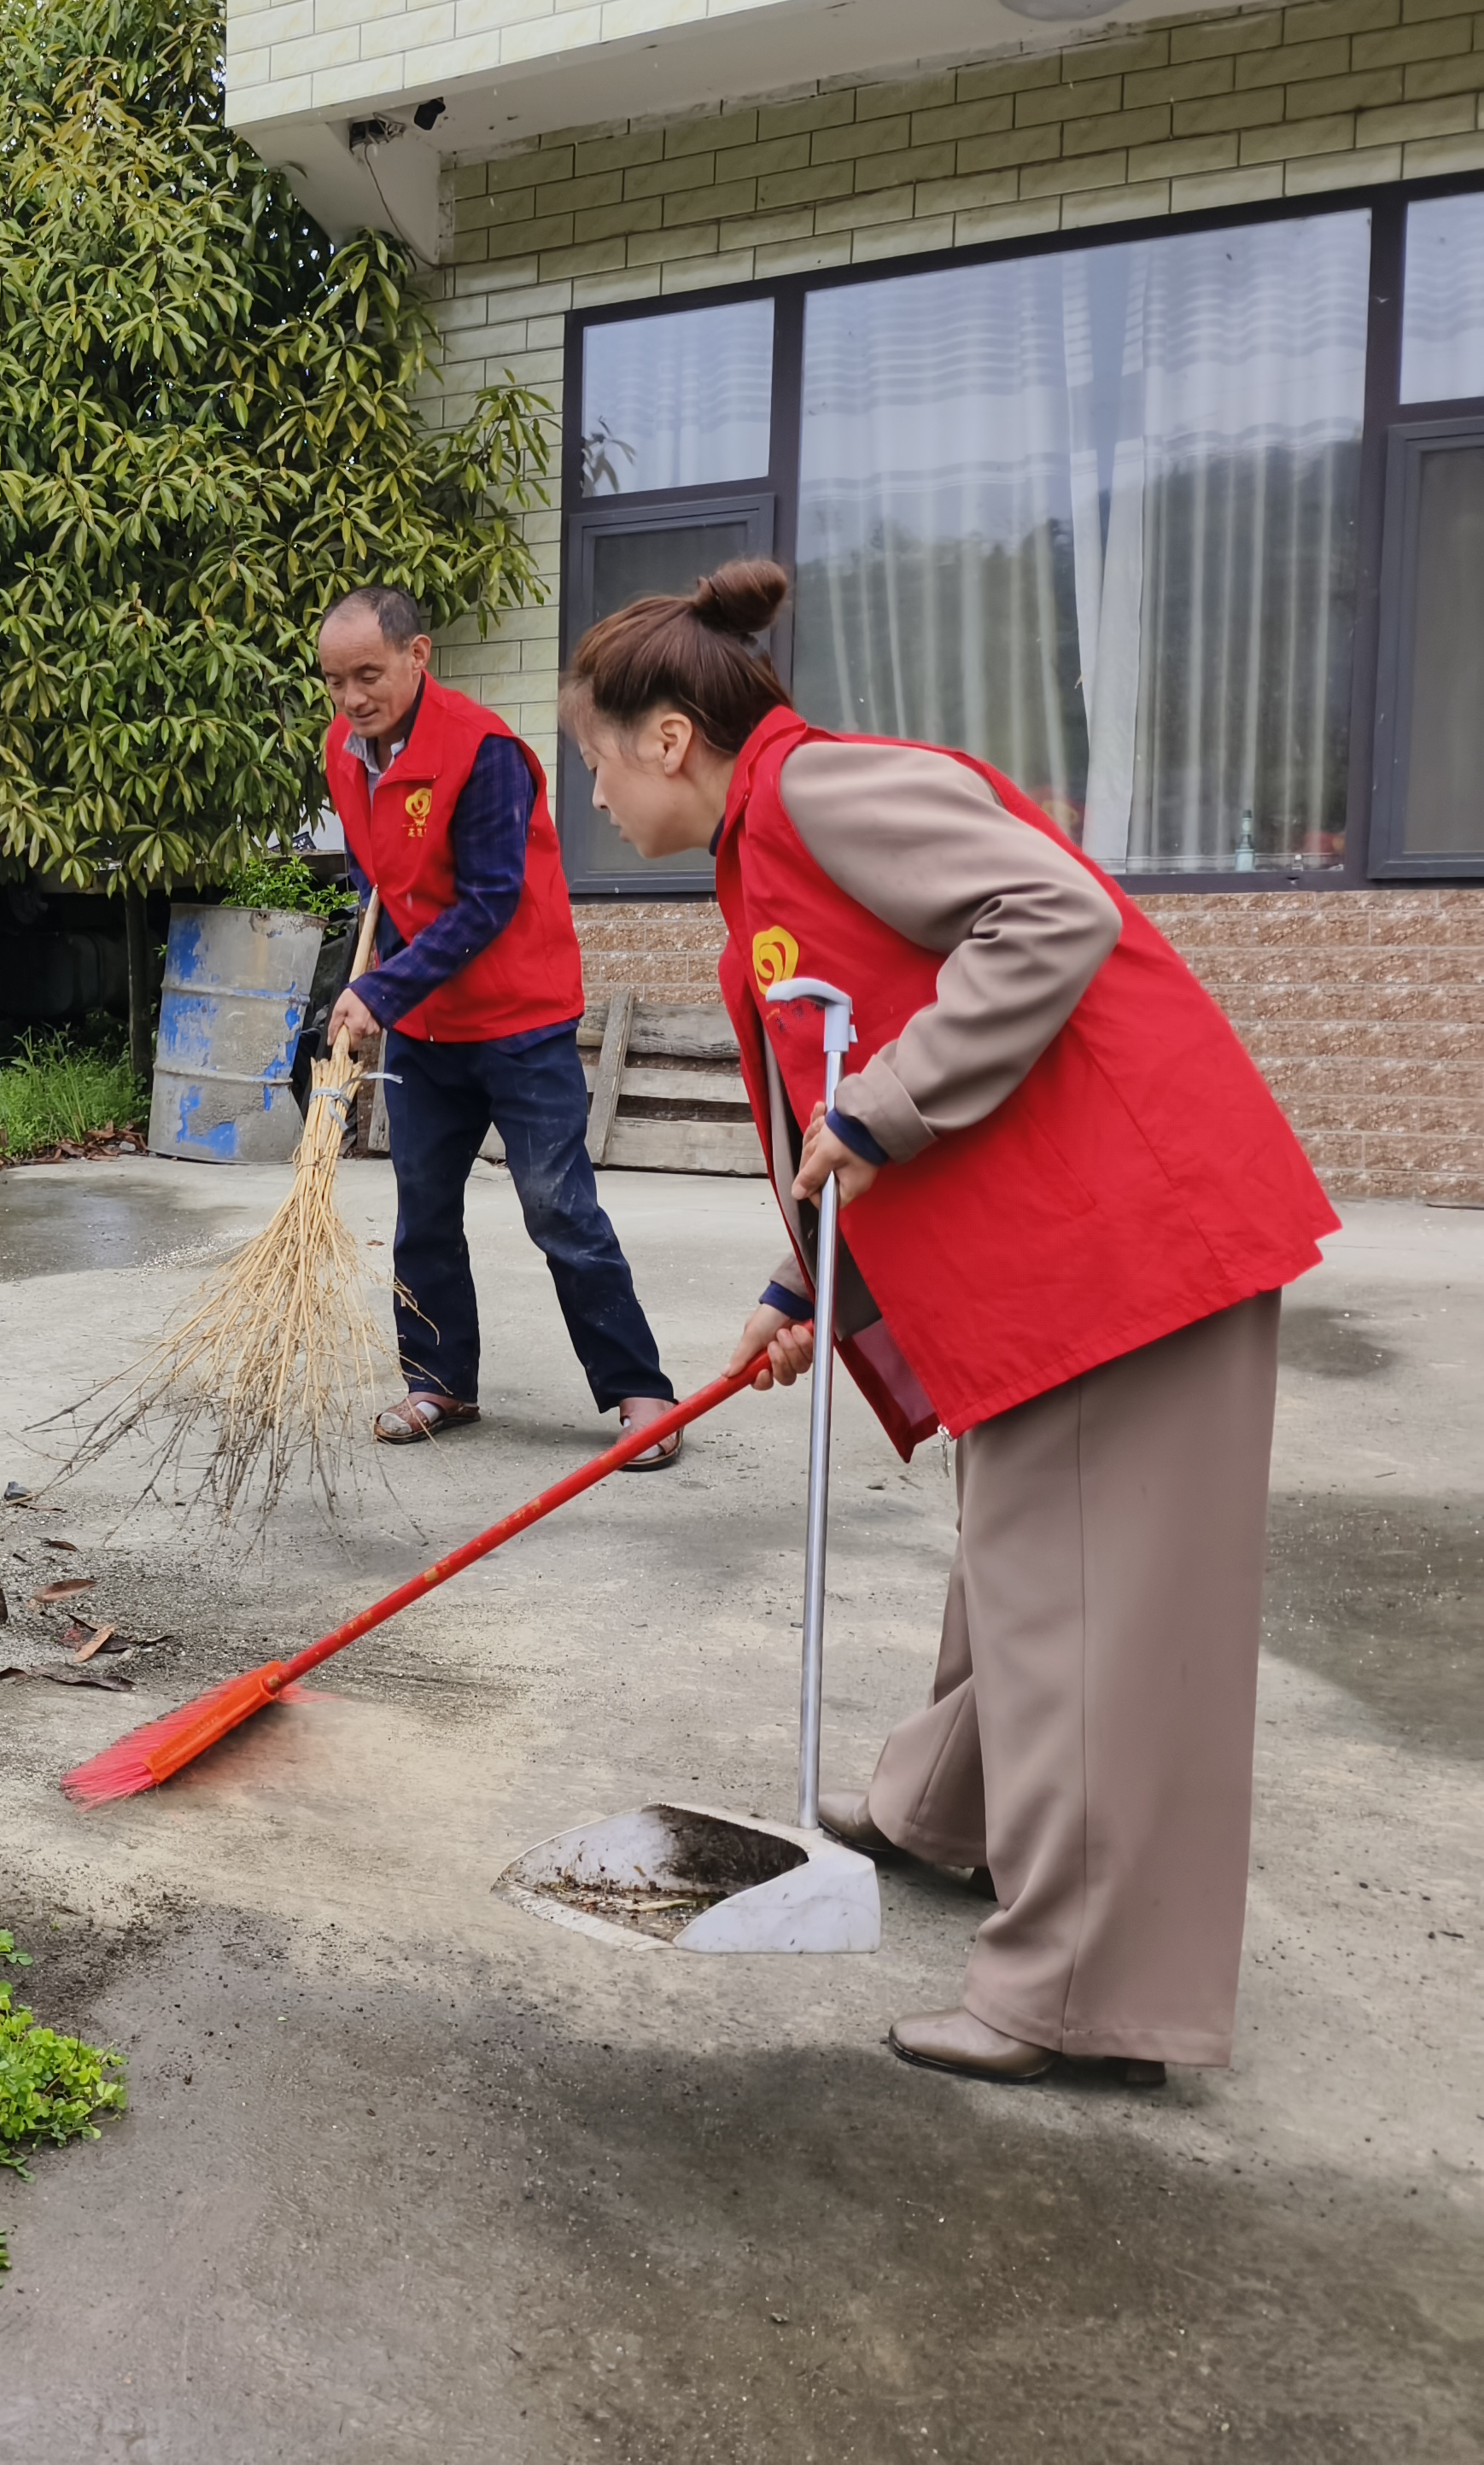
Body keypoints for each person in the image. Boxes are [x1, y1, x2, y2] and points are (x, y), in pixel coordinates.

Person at [565, 559, 1335, 2083]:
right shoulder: (759, 860)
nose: (590, 796)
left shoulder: (824, 795)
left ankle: (1078, 1998)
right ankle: (947, 1812)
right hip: (1055, 1262)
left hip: (1124, 1252)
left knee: (1092, 1621)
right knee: (1027, 1575)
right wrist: (804, 1288)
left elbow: (1050, 911)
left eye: (590, 758)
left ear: (667, 739)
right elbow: (834, 1090)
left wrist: (894, 1099)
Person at [316, 586, 682, 1467]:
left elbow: (486, 901)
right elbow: (387, 887)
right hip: (429, 1029)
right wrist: (369, 983)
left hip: (518, 1021)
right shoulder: (345, 753)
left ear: (418, 655)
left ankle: (643, 1395)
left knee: (558, 1208)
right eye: (334, 681)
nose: (352, 698)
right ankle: (439, 1380)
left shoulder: (483, 754)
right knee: (423, 1213)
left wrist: (383, 991)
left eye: (368, 674)